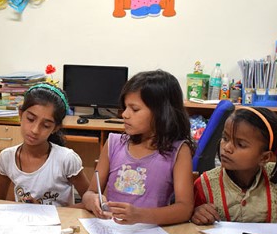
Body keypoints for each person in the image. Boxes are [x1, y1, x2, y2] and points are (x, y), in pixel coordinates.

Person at [82, 69, 195, 224]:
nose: (125, 114)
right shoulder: (114, 143)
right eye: (125, 107)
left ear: (162, 112)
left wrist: (140, 216)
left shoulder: (179, 151)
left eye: (134, 109)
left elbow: (184, 209)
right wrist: (93, 200)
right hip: (112, 232)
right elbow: (90, 193)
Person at [0, 83, 89, 207]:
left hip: (60, 224)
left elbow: (90, 202)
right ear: (20, 114)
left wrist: (42, 210)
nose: (34, 130)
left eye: (46, 126)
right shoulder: (6, 158)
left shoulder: (66, 159)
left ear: (55, 128)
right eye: (30, 119)